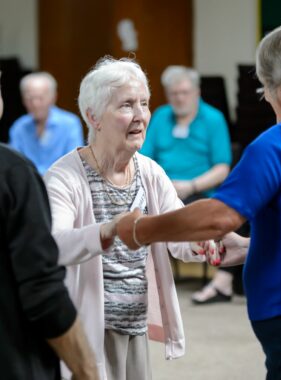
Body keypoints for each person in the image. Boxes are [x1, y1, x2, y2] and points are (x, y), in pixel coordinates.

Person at [117, 21, 281, 379]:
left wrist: (141, 228)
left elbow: (218, 217)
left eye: (265, 88)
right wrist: (251, 246)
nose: (267, 97)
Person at [43, 57, 214, 380]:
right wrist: (106, 230)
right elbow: (55, 244)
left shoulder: (149, 171)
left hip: (134, 323)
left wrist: (204, 240)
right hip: (89, 328)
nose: (140, 116)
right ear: (93, 117)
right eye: (126, 105)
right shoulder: (64, 176)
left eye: (145, 104)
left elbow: (178, 230)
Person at [0, 72, 98, 379]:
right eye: (28, 96)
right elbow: (42, 290)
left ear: (52, 98)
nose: (34, 102)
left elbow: (69, 167)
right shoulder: (13, 169)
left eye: (39, 96)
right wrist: (86, 370)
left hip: (56, 191)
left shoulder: (67, 124)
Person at [140, 65, 235, 303]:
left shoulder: (213, 119)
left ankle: (223, 284)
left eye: (184, 92)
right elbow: (143, 157)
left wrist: (191, 185)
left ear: (197, 92)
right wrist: (160, 183)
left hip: (199, 191)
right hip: (161, 189)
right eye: (174, 94)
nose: (179, 98)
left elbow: (222, 168)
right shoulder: (161, 116)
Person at [9, 71, 84, 175]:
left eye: (41, 98)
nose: (35, 104)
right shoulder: (19, 127)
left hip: (60, 185)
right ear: (23, 100)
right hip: (28, 186)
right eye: (30, 98)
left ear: (53, 98)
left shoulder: (70, 123)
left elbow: (75, 164)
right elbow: (13, 165)